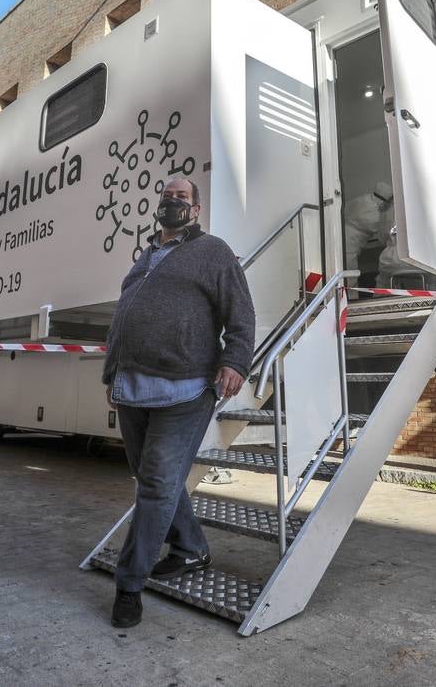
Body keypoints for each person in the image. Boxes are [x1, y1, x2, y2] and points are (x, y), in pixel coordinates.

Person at [102, 177, 254, 629]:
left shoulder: (212, 251)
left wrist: (236, 361)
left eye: (181, 197)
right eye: (166, 196)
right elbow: (124, 318)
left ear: (197, 208)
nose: (172, 202)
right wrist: (111, 371)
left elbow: (240, 313)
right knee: (151, 479)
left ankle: (130, 585)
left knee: (155, 486)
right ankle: (190, 549)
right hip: (131, 387)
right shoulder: (146, 256)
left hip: (185, 388)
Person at [342, 181, 393, 281]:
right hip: (349, 244)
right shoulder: (374, 214)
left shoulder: (362, 199)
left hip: (340, 235)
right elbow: (383, 235)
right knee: (349, 277)